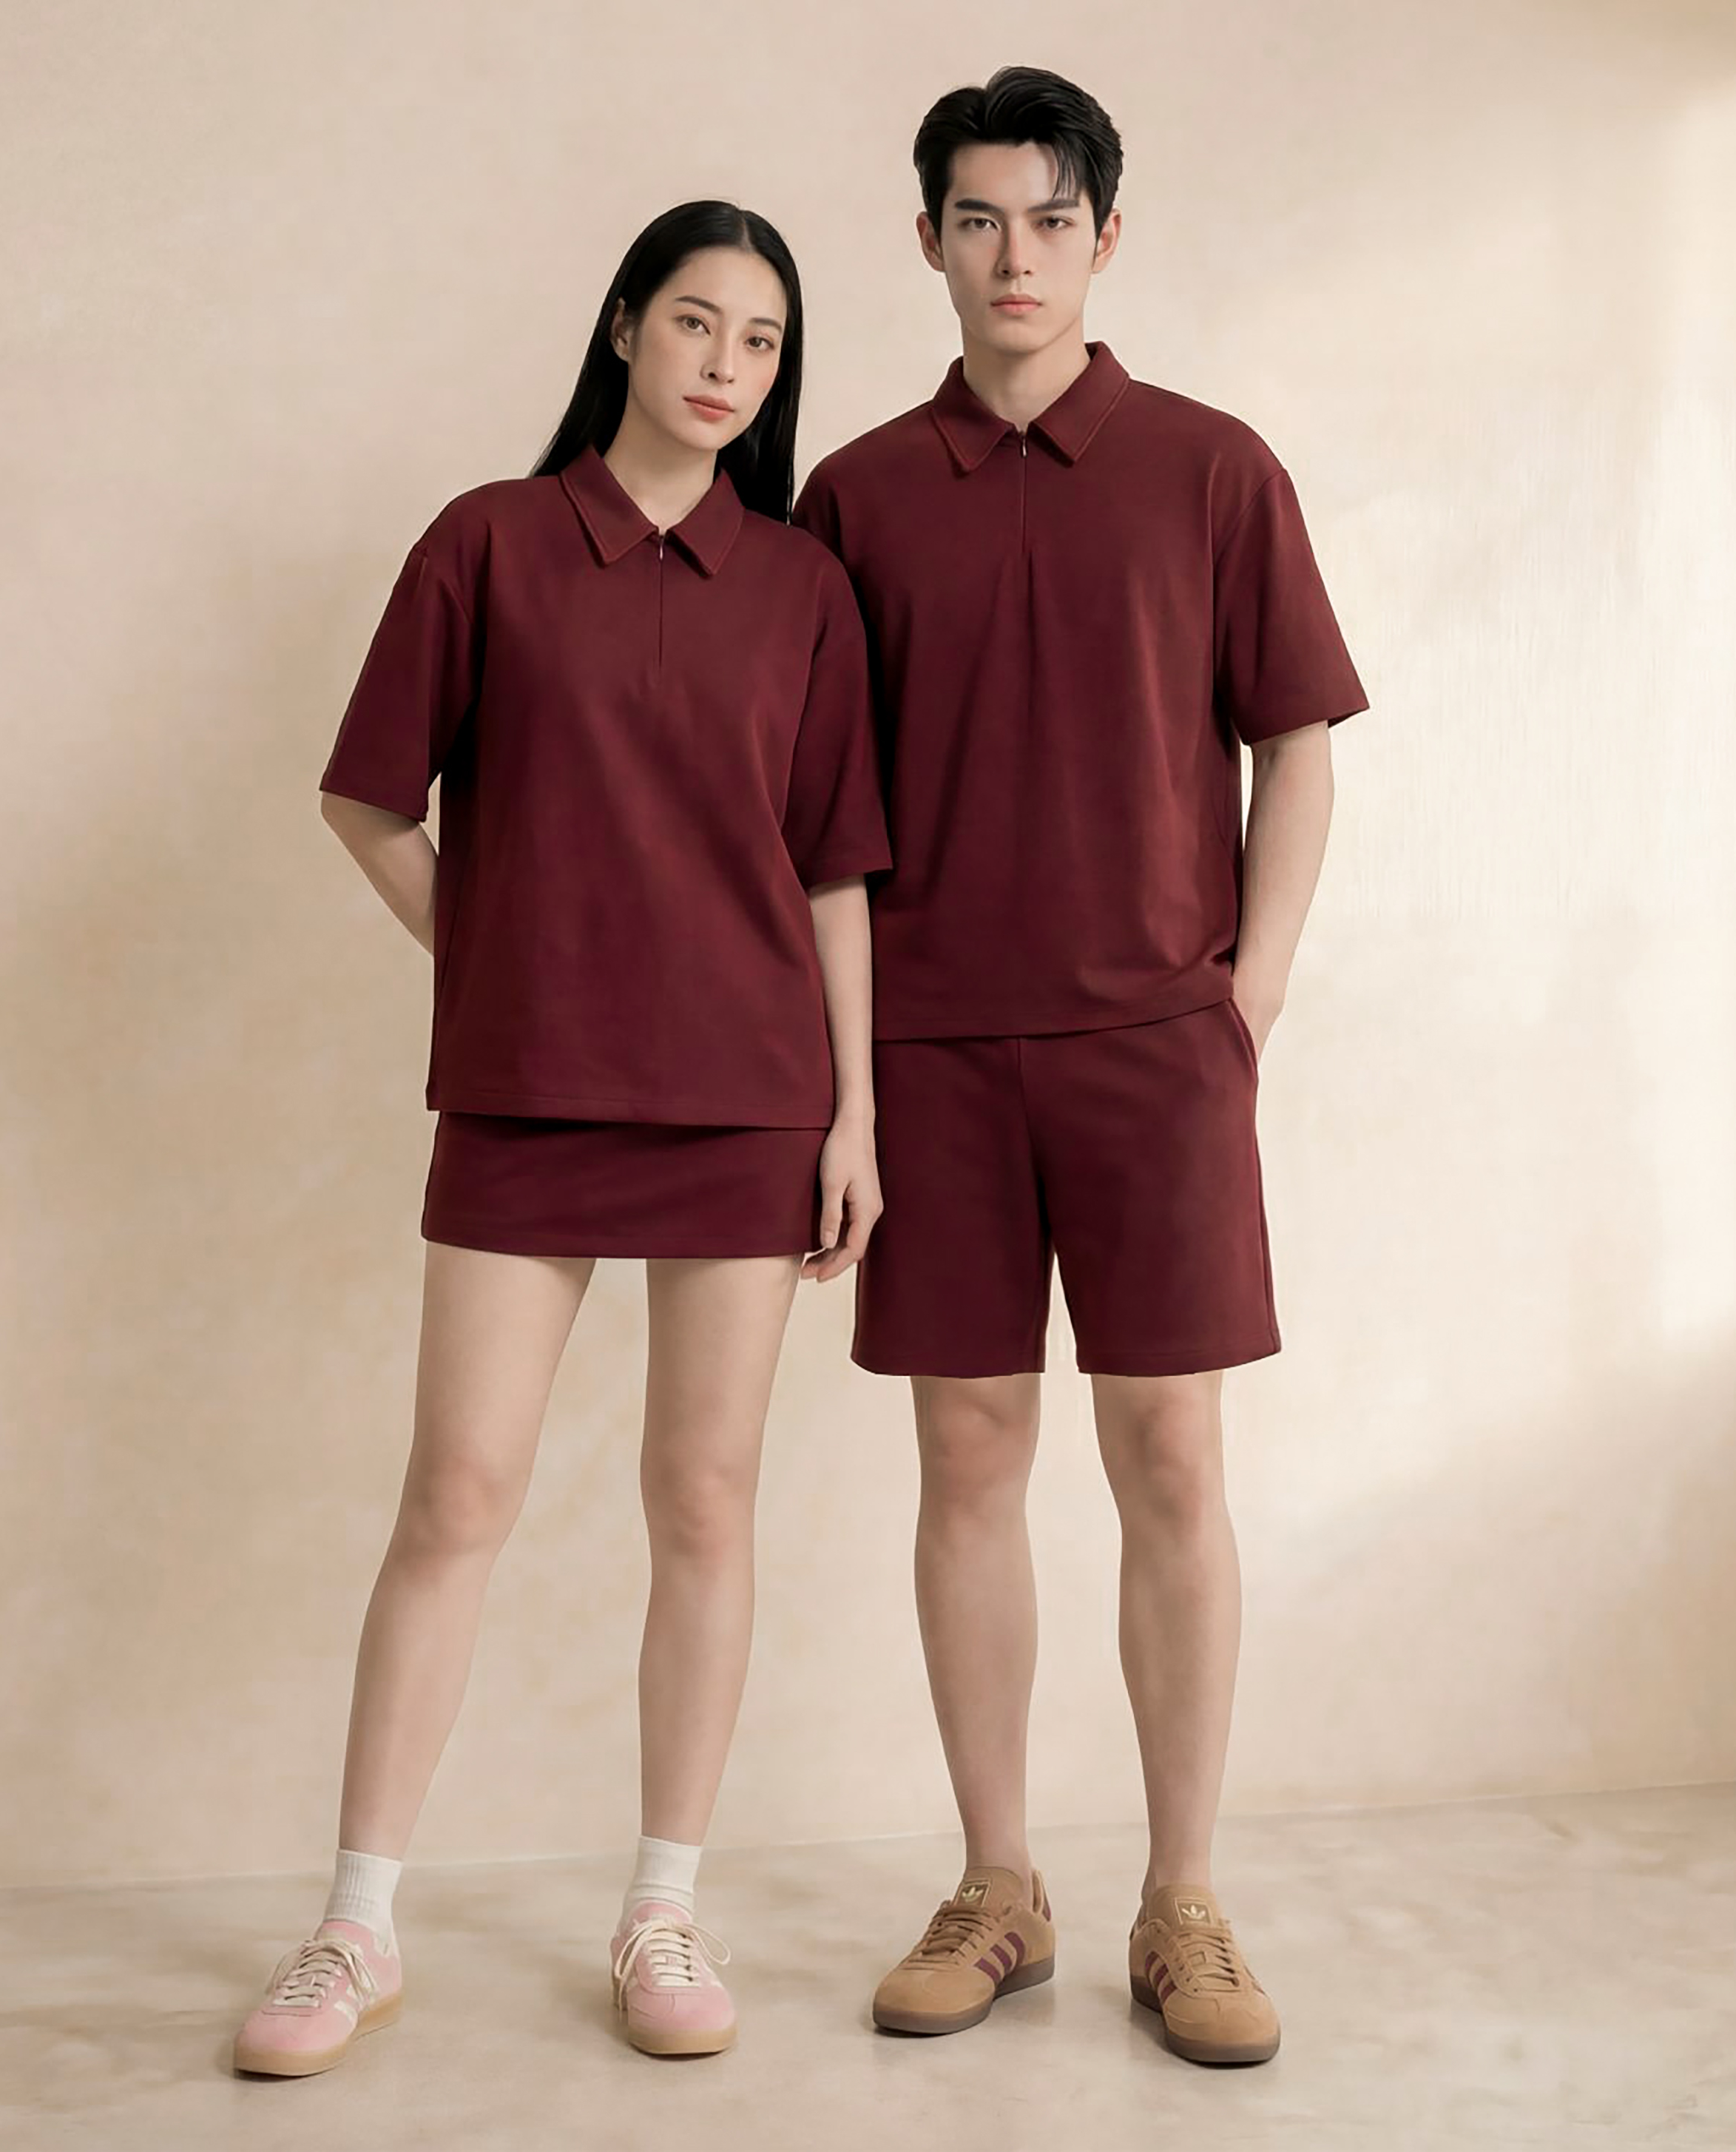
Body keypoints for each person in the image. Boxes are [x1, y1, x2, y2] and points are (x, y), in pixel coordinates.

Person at [232, 200, 891, 2077]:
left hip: (751, 1096)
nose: (725, 364)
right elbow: (369, 802)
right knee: (457, 1492)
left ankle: (662, 1908)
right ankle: (357, 1928)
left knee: (705, 1500)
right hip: (527, 1091)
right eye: (694, 321)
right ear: (620, 328)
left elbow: (835, 869)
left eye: (761, 341)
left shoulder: (803, 588)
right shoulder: (490, 543)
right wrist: (500, 958)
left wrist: (855, 1111)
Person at [791, 67, 1369, 2065]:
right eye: (978, 219)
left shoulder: (1214, 469)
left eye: (1049, 219)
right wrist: (843, 1080)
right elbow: (813, 809)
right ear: (928, 241)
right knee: (968, 1457)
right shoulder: (854, 497)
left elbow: (1297, 741)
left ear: (1106, 237)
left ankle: (1184, 1898)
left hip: (1157, 1050)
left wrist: (1246, 996)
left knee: (1171, 1461)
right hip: (933, 1053)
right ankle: (999, 1884)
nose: (1014, 256)